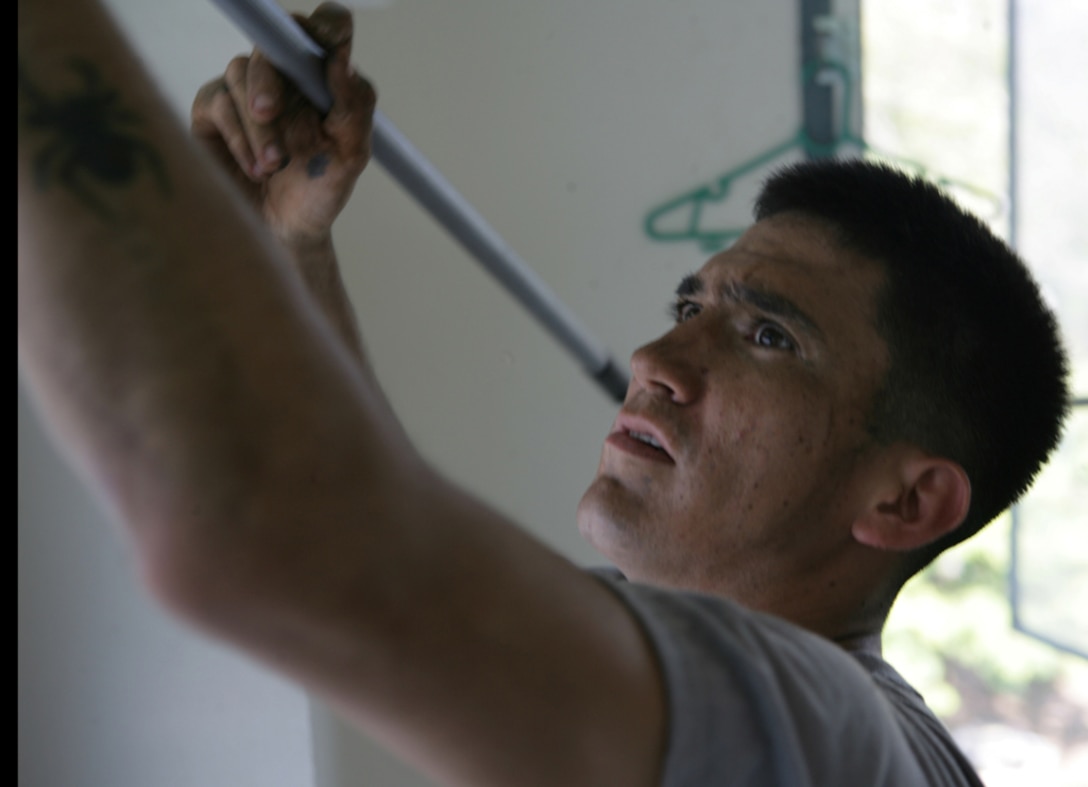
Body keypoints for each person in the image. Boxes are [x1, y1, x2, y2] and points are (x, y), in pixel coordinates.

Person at [17, 2, 1069, 785]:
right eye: (686, 302)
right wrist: (287, 247)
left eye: (764, 334)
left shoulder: (825, 732)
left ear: (902, 501)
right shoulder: (754, 704)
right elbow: (387, 526)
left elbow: (286, 531)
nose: (658, 356)